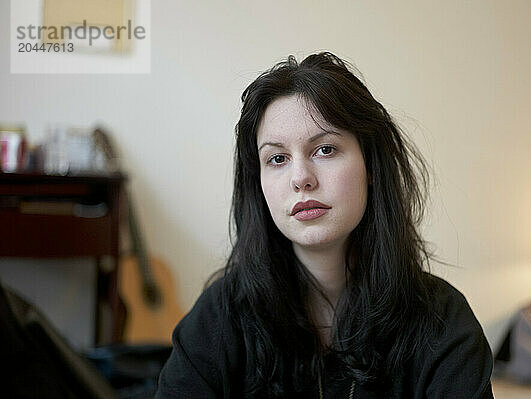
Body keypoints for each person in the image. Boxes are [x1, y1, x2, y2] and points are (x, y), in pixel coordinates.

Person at [156, 52, 494, 398]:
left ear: (371, 167)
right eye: (277, 159)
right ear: (258, 184)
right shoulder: (219, 317)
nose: (301, 178)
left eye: (325, 149)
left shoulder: (443, 323)